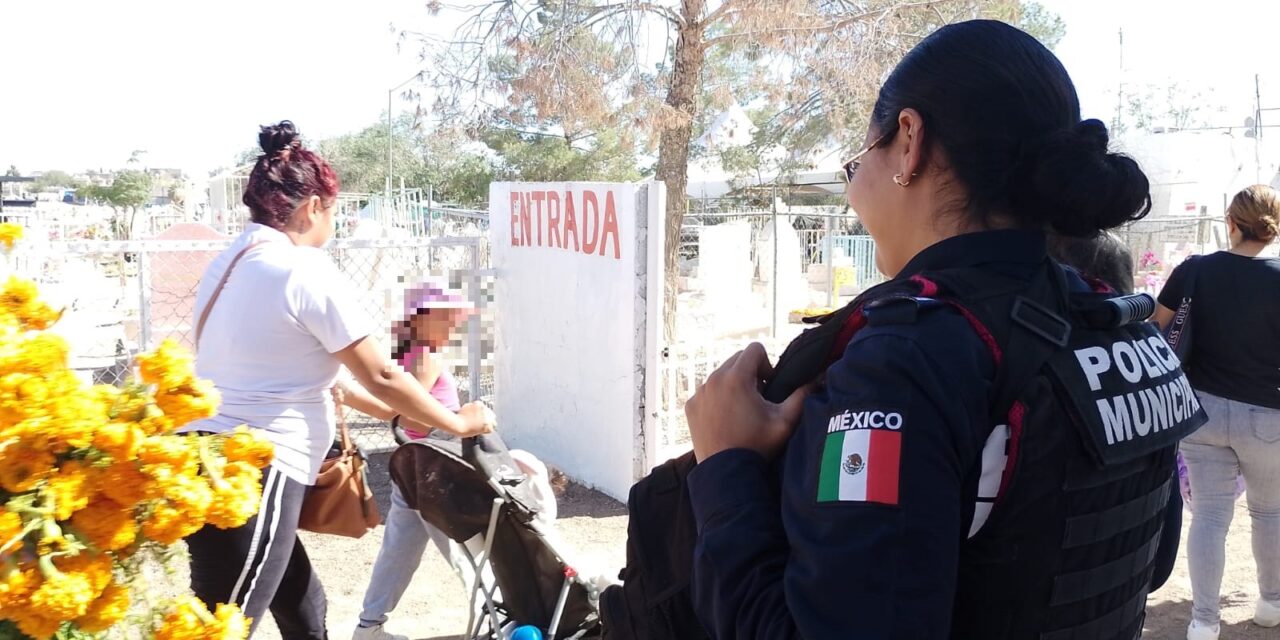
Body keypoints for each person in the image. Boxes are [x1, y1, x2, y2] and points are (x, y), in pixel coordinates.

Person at [683, 20, 1204, 639]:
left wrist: (725, 464)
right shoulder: (1121, 327)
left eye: (858, 163)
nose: (854, 192)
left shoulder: (904, 358)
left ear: (909, 142)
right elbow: (1150, 561)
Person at [182, 121, 495, 640]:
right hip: (255, 470)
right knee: (222, 625)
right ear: (311, 209)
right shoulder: (302, 270)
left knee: (305, 607)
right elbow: (380, 373)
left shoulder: (230, 262)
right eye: (336, 209)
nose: (337, 221)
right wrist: (457, 423)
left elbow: (336, 384)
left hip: (212, 455)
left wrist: (400, 416)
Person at [338, 282, 557, 640]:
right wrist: (352, 398)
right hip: (432, 471)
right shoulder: (424, 356)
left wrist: (352, 398)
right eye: (449, 317)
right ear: (422, 319)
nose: (455, 324)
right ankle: (500, 621)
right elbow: (411, 417)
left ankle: (370, 625)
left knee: (398, 550)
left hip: (413, 468)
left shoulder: (408, 355)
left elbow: (399, 415)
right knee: (465, 548)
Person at [1153, 184, 1280, 640]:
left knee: (1209, 517)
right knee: (1269, 513)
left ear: (1231, 221)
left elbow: (1155, 327)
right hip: (1268, 413)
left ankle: (1203, 622)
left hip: (1200, 410)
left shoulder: (1195, 270)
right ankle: (1270, 604)